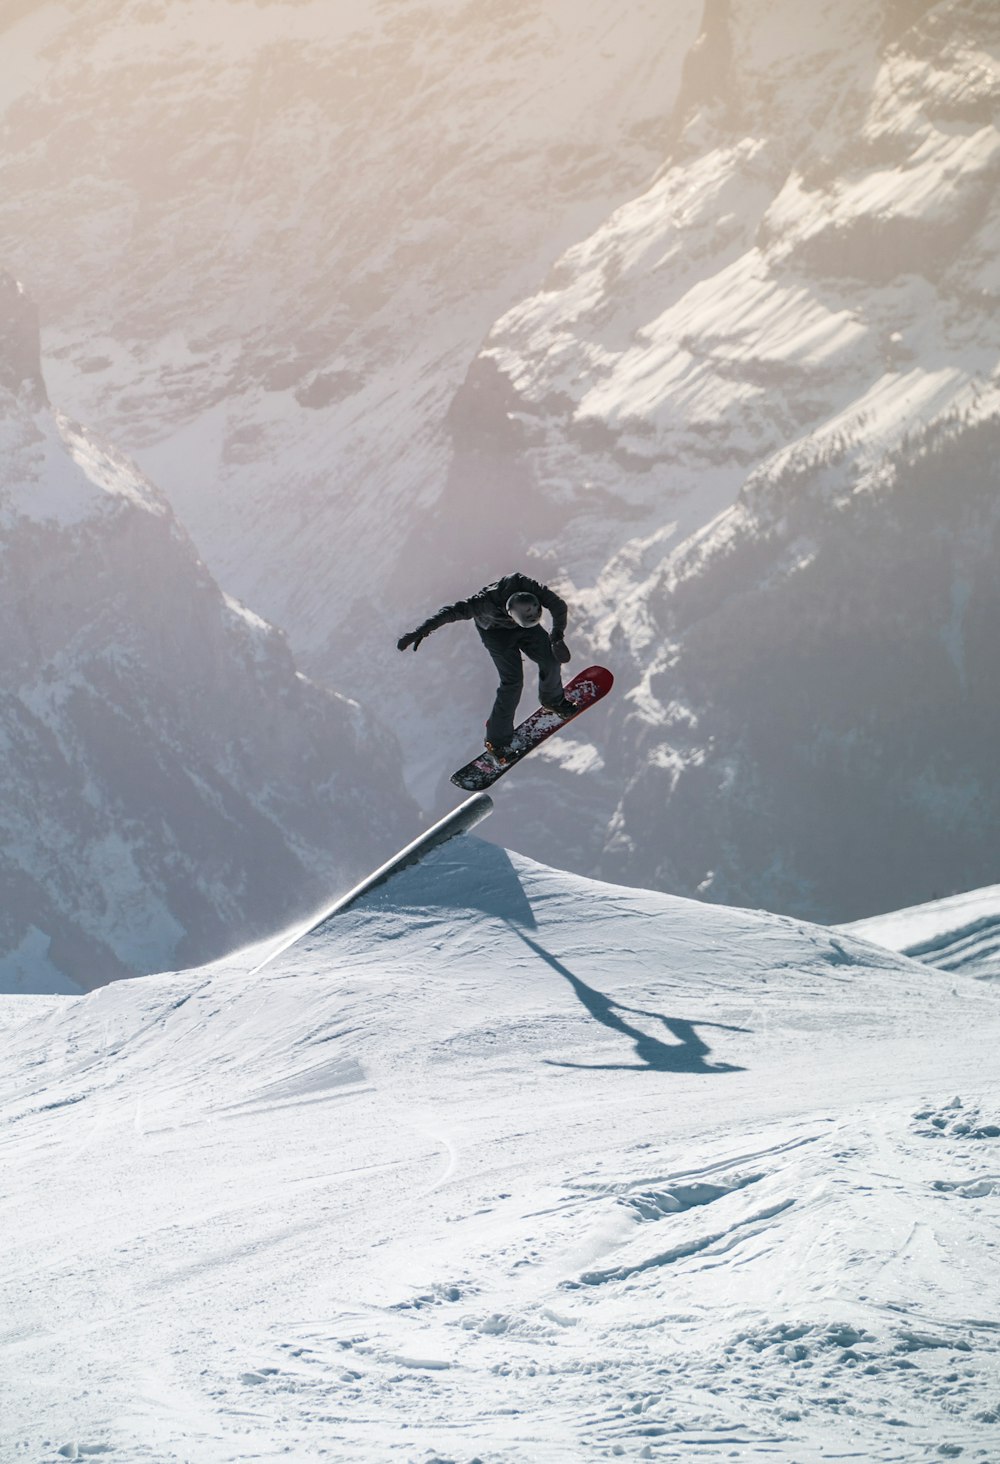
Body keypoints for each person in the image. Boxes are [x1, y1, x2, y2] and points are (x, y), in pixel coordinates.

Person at [397, 572, 575, 757]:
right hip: (496, 635)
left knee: (551, 660)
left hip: (526, 630)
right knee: (512, 683)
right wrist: (420, 632)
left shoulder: (523, 583)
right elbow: (449, 613)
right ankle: (496, 741)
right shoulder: (482, 604)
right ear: (511, 613)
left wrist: (556, 636)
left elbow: (557, 605)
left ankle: (553, 700)